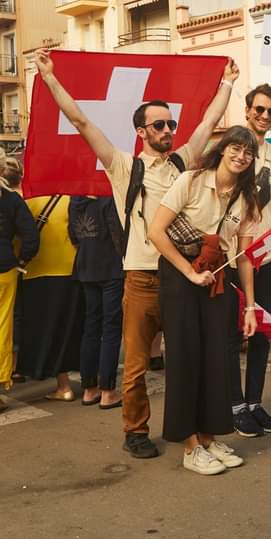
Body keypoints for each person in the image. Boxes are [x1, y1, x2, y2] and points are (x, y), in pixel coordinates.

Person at [34, 50, 239, 459]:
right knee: (137, 365)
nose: (168, 129)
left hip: (183, 277)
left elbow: (208, 123)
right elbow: (81, 122)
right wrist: (51, 79)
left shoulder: (183, 161)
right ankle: (135, 430)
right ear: (142, 131)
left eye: (170, 123)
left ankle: (194, 434)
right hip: (143, 277)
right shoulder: (124, 167)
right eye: (159, 124)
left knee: (187, 359)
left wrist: (229, 83)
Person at [148, 126, 260, 475]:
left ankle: (210, 437)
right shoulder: (192, 180)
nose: (241, 156)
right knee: (185, 358)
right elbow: (156, 231)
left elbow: (242, 255)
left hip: (216, 278)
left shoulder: (246, 196)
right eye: (236, 148)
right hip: (182, 278)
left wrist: (251, 306)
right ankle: (190, 445)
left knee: (216, 359)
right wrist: (188, 272)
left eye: (248, 152)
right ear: (223, 148)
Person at [228, 84, 271, 438]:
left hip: (266, 257)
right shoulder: (227, 152)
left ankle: (254, 402)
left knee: (261, 335)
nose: (265, 116)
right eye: (259, 109)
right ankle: (235, 405)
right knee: (229, 334)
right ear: (247, 110)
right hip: (230, 257)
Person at [18, 195, 83, 402]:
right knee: (69, 329)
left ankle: (62, 385)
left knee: (45, 329)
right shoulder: (71, 199)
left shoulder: (27, 202)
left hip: (35, 271)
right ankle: (88, 382)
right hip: (69, 269)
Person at [67, 196, 124, 409]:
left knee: (91, 327)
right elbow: (117, 235)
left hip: (86, 267)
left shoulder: (75, 201)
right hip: (110, 268)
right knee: (110, 328)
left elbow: (73, 236)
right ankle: (108, 390)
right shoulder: (108, 199)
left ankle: (89, 389)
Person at [0, 158, 37, 409]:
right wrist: (21, 258)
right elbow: (30, 235)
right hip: (4, 267)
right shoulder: (10, 199)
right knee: (3, 326)